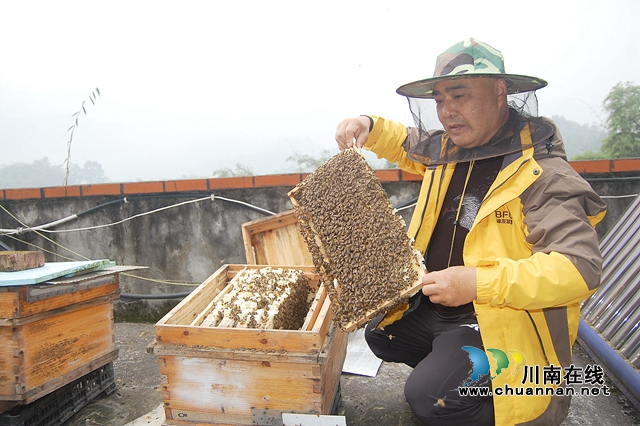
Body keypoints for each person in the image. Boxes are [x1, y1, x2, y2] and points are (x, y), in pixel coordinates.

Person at [334, 38, 607, 426]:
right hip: (443, 307)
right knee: (381, 333)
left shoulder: (545, 175)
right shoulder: (451, 148)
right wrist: (369, 125)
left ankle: (522, 402)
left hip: (497, 318)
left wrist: (479, 283)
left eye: (459, 96)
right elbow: (408, 143)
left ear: (499, 92)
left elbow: (578, 268)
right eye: (440, 100)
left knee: (429, 399)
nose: (447, 112)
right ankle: (457, 372)